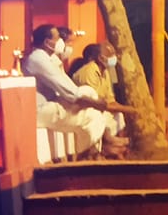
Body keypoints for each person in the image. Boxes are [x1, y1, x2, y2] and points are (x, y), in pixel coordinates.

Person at [25, 24, 111, 158]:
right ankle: (87, 155)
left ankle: (89, 153)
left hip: (52, 106)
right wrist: (93, 103)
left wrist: (86, 101)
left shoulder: (48, 58)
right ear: (48, 42)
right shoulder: (38, 58)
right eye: (58, 38)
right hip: (41, 110)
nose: (62, 42)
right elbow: (69, 91)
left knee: (92, 108)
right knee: (92, 114)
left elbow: (70, 89)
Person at [70, 43, 137, 154]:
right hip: (84, 110)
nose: (114, 58)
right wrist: (129, 110)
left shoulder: (105, 71)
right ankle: (107, 145)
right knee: (101, 114)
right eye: (110, 55)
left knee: (118, 114)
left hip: (100, 107)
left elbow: (110, 100)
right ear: (101, 58)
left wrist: (126, 109)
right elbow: (93, 103)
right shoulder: (89, 71)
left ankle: (111, 144)